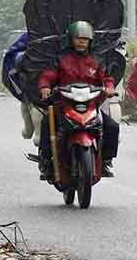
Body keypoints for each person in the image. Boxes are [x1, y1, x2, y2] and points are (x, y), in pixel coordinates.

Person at [36, 20, 120, 178]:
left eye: (85, 39)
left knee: (112, 127)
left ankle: (106, 160)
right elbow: (47, 75)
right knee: (47, 123)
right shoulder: (61, 58)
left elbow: (107, 77)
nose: (82, 42)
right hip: (64, 104)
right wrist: (45, 86)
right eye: (78, 38)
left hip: (90, 105)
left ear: (90, 41)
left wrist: (109, 87)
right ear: (70, 39)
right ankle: (46, 161)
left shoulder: (97, 60)